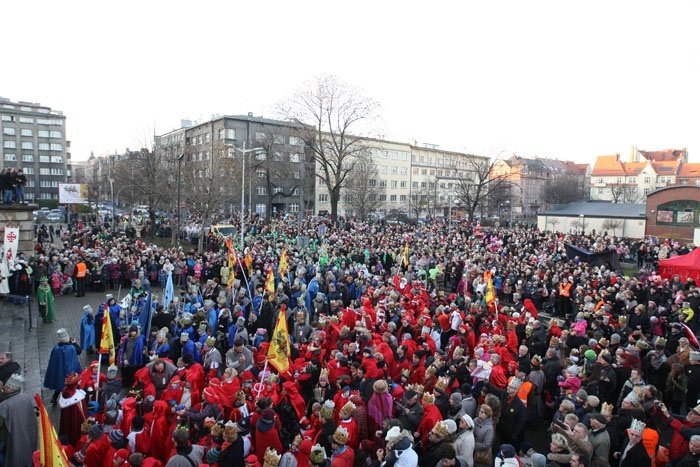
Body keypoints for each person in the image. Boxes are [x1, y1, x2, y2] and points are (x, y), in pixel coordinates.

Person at [0, 374, 38, 467]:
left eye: (7, 387)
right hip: (25, 432)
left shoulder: (4, 405)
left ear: (12, 389)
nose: (4, 387)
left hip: (6, 437)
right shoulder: (25, 397)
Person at [44, 328, 82, 405]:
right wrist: (74, 343)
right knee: (71, 386)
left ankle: (54, 398)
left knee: (59, 385)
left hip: (59, 371)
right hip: (69, 372)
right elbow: (78, 351)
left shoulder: (56, 349)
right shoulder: (71, 348)